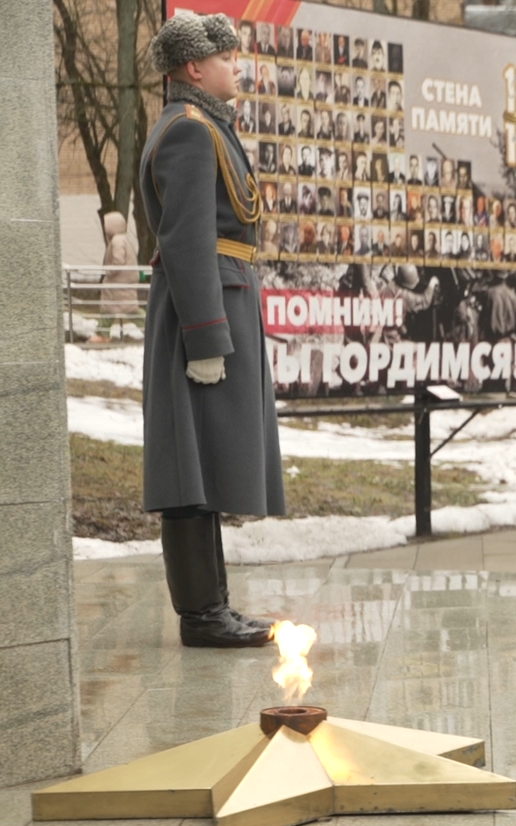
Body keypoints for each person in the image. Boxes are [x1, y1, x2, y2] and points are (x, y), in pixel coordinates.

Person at [139, 12, 284, 648]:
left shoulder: (202, 125)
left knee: (206, 467)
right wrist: (205, 339)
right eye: (226, 58)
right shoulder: (190, 132)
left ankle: (214, 605)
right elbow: (187, 239)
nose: (236, 66)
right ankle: (201, 616)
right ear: (194, 68)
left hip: (222, 299)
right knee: (189, 471)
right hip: (204, 311)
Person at [96, 211, 140, 341]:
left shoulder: (117, 241)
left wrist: (108, 272)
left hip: (117, 283)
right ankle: (101, 333)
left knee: (126, 310)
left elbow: (118, 261)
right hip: (121, 283)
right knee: (115, 309)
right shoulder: (122, 240)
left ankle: (102, 334)